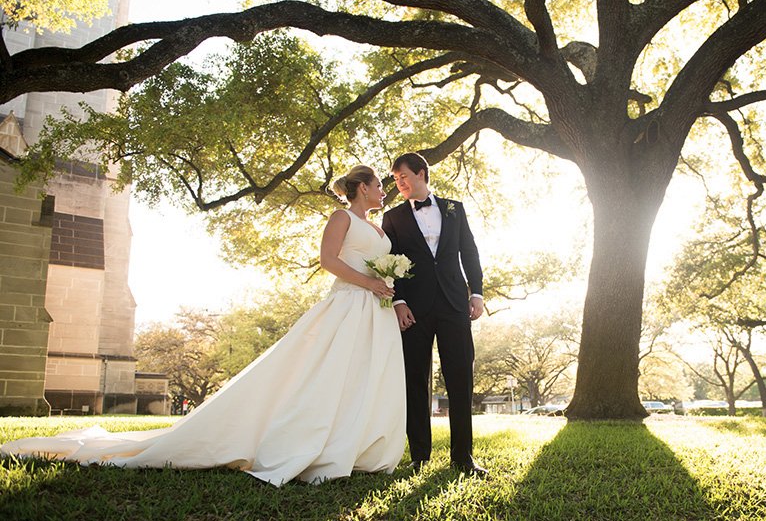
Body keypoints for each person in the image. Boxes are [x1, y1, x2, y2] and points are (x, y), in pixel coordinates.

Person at [0, 165, 405, 486]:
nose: (383, 189)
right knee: (326, 373)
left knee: (364, 377)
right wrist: (369, 282)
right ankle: (312, 444)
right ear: (361, 187)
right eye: (378, 184)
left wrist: (384, 283)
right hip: (349, 304)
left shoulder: (377, 226)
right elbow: (329, 261)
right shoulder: (341, 218)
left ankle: (360, 447)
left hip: (376, 311)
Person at [381, 152, 487, 476]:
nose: (400, 183)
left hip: (455, 304)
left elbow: (468, 250)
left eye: (404, 177)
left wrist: (477, 292)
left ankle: (463, 458)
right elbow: (388, 262)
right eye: (396, 179)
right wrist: (398, 302)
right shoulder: (393, 217)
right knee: (415, 380)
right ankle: (419, 457)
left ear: (422, 174)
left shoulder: (455, 209)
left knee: (460, 378)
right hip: (414, 309)